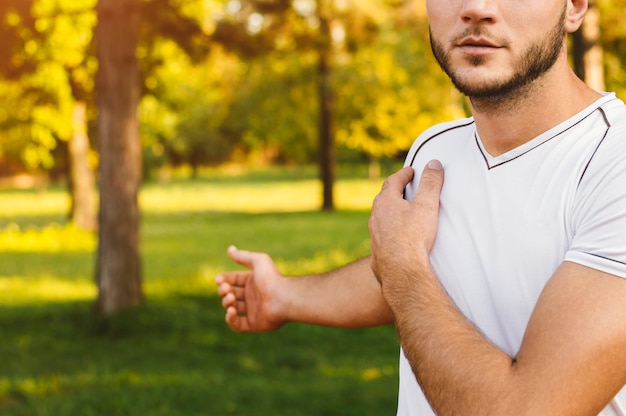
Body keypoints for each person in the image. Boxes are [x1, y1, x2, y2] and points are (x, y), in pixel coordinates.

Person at [215, 0, 626, 414]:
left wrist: (403, 268)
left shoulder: (614, 161)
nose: (476, 8)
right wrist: (284, 295)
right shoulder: (436, 149)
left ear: (574, 8)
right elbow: (425, 272)